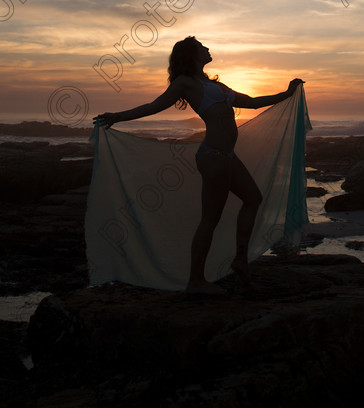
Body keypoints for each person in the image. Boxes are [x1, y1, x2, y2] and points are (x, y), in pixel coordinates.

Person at [94, 35, 303, 295]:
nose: (207, 48)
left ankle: (239, 258)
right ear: (192, 54)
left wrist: (286, 93)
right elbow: (154, 106)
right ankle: (196, 280)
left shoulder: (217, 84)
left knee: (253, 198)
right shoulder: (185, 83)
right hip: (213, 156)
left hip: (227, 156)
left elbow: (250, 101)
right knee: (210, 218)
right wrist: (118, 116)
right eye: (202, 46)